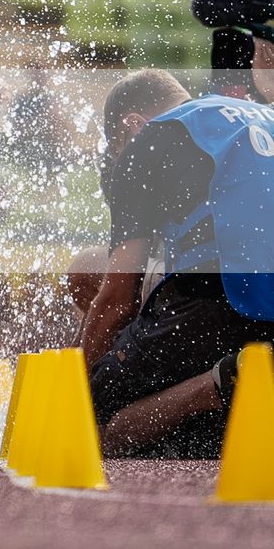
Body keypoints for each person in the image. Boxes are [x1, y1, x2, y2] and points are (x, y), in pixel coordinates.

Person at [84, 66, 274, 458]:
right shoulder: (263, 115)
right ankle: (232, 381)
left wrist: (71, 386)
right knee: (200, 440)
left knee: (98, 426)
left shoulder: (149, 139)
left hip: (216, 298)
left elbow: (117, 297)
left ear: (132, 125)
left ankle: (217, 381)